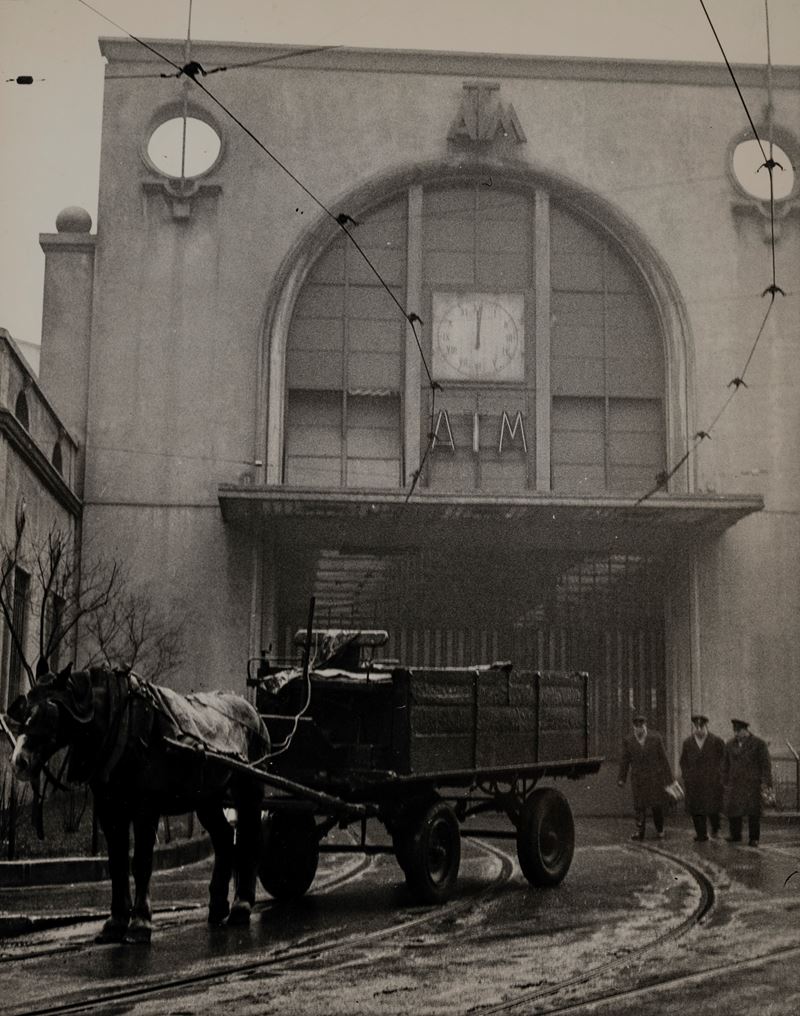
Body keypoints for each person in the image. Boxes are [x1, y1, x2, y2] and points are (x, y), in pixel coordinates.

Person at [617, 714, 673, 841]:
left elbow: (663, 760)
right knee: (639, 807)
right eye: (636, 727)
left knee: (656, 805)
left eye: (641, 726)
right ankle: (640, 832)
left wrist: (669, 779)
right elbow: (625, 761)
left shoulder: (655, 738)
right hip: (638, 779)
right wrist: (622, 778)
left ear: (645, 726)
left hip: (654, 778)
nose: (639, 729)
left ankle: (660, 830)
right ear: (633, 727)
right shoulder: (629, 741)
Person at [722, 718, 773, 847]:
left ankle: (754, 838)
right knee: (733, 810)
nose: (736, 734)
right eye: (735, 731)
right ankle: (735, 835)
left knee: (753, 812)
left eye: (738, 731)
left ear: (746, 731)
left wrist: (765, 782)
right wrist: (724, 780)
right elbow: (725, 765)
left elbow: (765, 765)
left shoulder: (758, 744)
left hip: (752, 784)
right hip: (734, 783)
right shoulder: (729, 745)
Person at [679, 714, 725, 841]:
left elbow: (724, 760)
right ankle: (701, 833)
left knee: (713, 807)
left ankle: (715, 828)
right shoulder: (688, 743)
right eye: (696, 726)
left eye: (701, 726)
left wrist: (719, 775)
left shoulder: (716, 741)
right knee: (696, 808)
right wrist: (686, 776)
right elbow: (683, 761)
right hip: (695, 782)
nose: (699, 729)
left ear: (706, 726)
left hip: (712, 781)